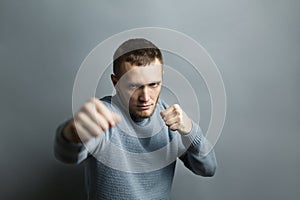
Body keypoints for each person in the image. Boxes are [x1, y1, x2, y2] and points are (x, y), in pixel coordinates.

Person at [54, 38, 217, 200]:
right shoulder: (105, 115)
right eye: (133, 86)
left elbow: (208, 168)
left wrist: (190, 131)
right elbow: (67, 154)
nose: (145, 97)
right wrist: (72, 133)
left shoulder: (169, 120)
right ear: (115, 82)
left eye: (153, 84)